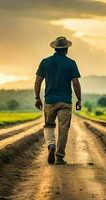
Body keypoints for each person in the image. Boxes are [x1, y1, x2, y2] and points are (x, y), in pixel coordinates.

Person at [34, 36, 82, 165]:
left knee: (49, 125)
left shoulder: (45, 62)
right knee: (63, 129)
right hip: (65, 101)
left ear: (55, 48)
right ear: (66, 49)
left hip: (49, 101)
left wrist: (37, 98)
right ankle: (59, 156)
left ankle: (50, 145)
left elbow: (38, 81)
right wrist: (79, 100)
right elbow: (76, 83)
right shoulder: (71, 63)